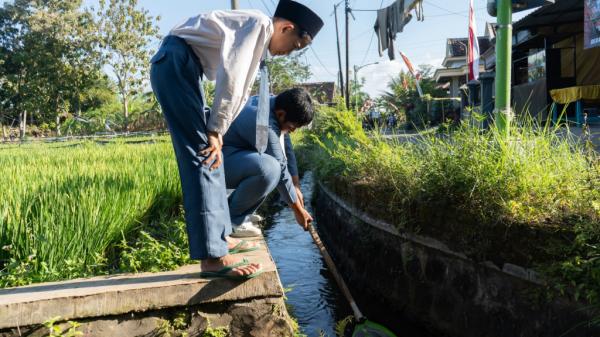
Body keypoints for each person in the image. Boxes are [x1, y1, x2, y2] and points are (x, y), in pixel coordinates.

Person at [150, 1, 324, 280]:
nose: (289, 53)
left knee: (211, 159)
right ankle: (213, 258)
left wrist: (295, 187)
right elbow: (231, 78)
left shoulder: (257, 41)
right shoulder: (257, 24)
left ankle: (219, 239)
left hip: (182, 66)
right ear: (287, 27)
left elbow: (241, 90)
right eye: (294, 46)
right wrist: (216, 131)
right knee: (204, 155)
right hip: (176, 63)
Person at [223, 88, 313, 237]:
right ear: (281, 114)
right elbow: (281, 168)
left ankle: (236, 213)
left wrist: (296, 185)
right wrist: (298, 211)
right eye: (292, 127)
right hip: (218, 163)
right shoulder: (263, 122)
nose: (293, 131)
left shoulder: (270, 103)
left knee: (271, 167)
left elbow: (287, 150)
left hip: (233, 156)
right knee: (270, 169)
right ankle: (229, 222)